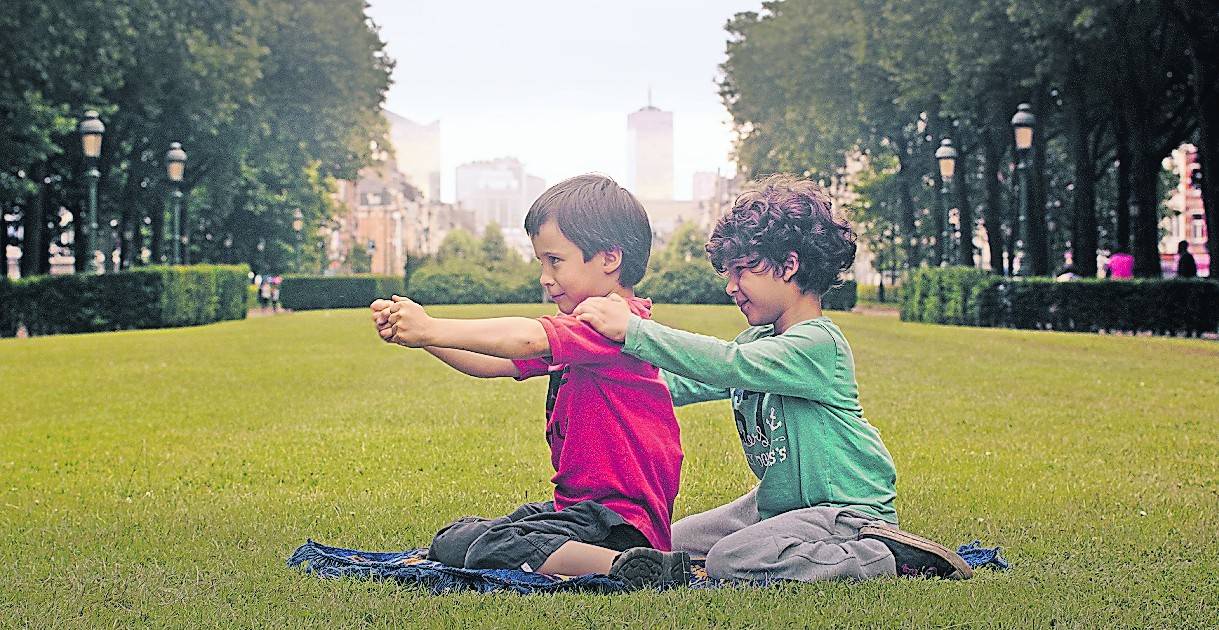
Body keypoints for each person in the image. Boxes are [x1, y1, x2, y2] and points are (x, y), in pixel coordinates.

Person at [574, 174, 973, 582]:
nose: (730, 287)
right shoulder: (759, 341)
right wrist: (590, 366)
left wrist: (636, 331)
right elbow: (676, 385)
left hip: (844, 510)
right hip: (779, 506)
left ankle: (887, 556)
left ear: (789, 265)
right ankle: (788, 544)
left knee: (729, 561)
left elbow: (729, 364)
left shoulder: (818, 345)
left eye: (743, 270)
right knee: (663, 543)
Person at [370, 174, 689, 589]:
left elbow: (523, 337)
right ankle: (608, 562)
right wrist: (420, 338)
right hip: (579, 514)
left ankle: (624, 567)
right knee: (454, 540)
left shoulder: (617, 326)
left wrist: (431, 327)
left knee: (489, 547)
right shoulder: (581, 329)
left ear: (610, 258)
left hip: (620, 521)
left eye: (555, 260)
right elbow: (493, 362)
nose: (544, 276)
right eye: (541, 261)